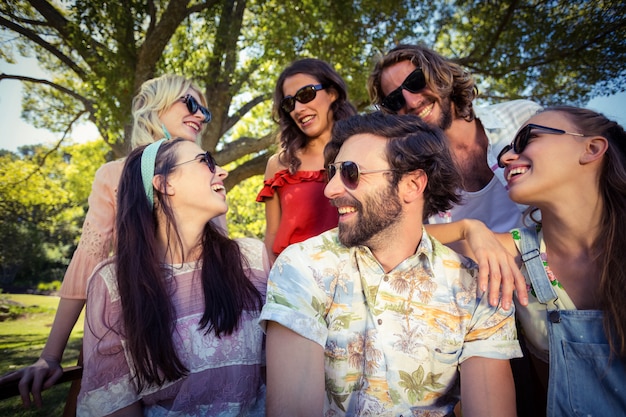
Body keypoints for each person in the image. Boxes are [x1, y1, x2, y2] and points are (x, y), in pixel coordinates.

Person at [260, 111, 522, 416]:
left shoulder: (475, 288)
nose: (330, 189)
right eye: (332, 172)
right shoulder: (304, 267)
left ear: (412, 184)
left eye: (350, 172)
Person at [0, 74, 212, 408]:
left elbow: (220, 256)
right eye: (190, 103)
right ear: (153, 107)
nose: (200, 115)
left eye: (205, 111)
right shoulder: (113, 174)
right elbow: (89, 258)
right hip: (128, 332)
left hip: (202, 332)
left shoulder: (209, 175)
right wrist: (50, 355)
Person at [77, 138, 268, 416]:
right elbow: (116, 406)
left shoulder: (251, 259)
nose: (222, 171)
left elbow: (276, 377)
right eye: (206, 162)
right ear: (164, 184)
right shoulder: (114, 284)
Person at [483, 106, 626, 416]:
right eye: (507, 150)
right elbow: (404, 242)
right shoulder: (516, 251)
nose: (506, 158)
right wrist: (469, 229)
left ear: (591, 148)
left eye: (528, 139)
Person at [368, 43, 542, 232]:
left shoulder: (524, 118)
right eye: (395, 99)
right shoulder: (411, 180)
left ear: (440, 76)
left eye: (416, 81)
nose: (412, 101)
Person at [256, 58, 357, 263]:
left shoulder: (362, 152)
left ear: (332, 93)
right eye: (289, 103)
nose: (298, 109)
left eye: (306, 94)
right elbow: (272, 236)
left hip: (353, 277)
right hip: (293, 281)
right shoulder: (279, 165)